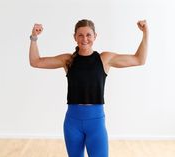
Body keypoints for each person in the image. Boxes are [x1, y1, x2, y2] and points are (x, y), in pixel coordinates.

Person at [29, 19, 148, 157]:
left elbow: (139, 59)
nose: (84, 39)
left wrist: (145, 33)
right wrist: (34, 38)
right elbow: (36, 62)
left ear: (95, 36)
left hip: (96, 123)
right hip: (72, 123)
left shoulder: (105, 59)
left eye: (88, 35)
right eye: (80, 35)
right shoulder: (68, 60)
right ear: (74, 37)